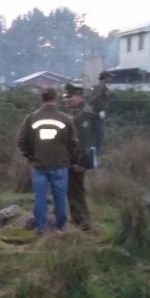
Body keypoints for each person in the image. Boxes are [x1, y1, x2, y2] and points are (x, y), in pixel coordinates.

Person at [17, 88, 77, 234]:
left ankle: (41, 228)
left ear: (41, 99)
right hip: (60, 164)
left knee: (40, 197)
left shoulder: (31, 118)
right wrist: (69, 158)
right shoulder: (65, 118)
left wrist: (30, 155)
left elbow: (22, 140)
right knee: (60, 197)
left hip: (38, 164)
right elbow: (74, 142)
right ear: (56, 99)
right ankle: (60, 227)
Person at [63, 83, 96, 231]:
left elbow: (85, 141)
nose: (67, 99)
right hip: (73, 157)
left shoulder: (84, 114)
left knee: (76, 191)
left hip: (78, 159)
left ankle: (83, 224)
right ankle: (78, 221)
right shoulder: (77, 112)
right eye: (66, 96)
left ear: (79, 95)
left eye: (70, 96)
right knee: (72, 191)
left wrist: (81, 162)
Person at [88, 71, 111, 155]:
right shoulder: (101, 87)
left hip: (96, 111)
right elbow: (95, 97)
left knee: (96, 132)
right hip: (98, 112)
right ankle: (97, 152)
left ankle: (95, 151)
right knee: (99, 132)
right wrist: (89, 105)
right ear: (105, 78)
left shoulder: (98, 86)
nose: (110, 79)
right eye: (109, 77)